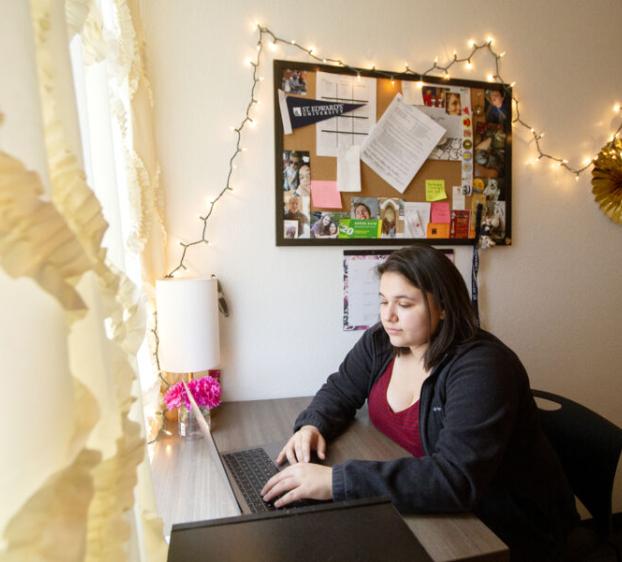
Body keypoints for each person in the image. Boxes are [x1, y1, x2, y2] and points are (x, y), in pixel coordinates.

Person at [262, 246, 578, 561]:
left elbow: (455, 479)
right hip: (420, 502)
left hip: (497, 528)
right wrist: (312, 424)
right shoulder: (382, 341)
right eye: (384, 301)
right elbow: (340, 389)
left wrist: (337, 481)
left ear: (443, 306)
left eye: (405, 304)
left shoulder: (483, 368)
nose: (388, 315)